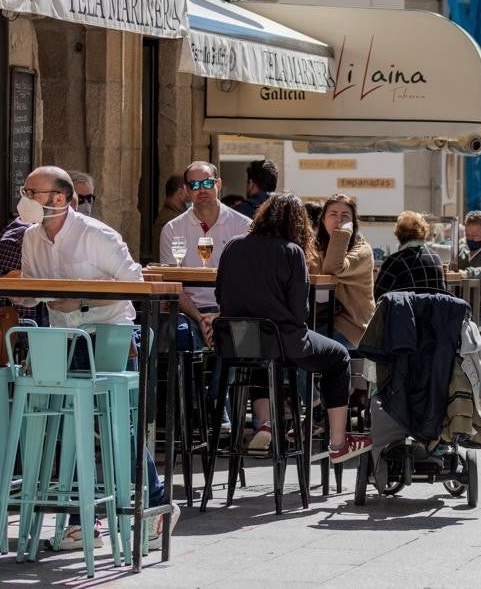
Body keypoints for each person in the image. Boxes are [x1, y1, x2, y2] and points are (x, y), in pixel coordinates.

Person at [17, 166, 176, 549]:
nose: (24, 198)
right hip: (64, 338)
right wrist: (20, 293)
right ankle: (79, 521)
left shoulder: (97, 235)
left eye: (30, 191)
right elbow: (33, 290)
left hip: (110, 335)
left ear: (57, 199)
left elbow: (134, 287)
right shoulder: (32, 238)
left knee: (121, 429)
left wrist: (83, 300)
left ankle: (154, 507)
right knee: (73, 426)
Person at [215, 192, 371, 462]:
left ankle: (265, 424)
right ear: (299, 223)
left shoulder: (232, 245)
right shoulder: (291, 252)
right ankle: (337, 443)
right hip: (283, 342)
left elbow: (220, 295)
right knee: (338, 357)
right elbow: (300, 313)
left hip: (237, 343)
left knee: (260, 362)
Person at [159, 162, 252, 350]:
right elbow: (171, 284)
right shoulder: (172, 229)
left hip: (231, 311)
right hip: (188, 311)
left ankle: (224, 381)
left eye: (207, 183)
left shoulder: (243, 226)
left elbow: (250, 280)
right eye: (194, 185)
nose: (201, 189)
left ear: (218, 184)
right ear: (186, 190)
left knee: (241, 340)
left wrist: (220, 315)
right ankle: (187, 381)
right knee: (178, 335)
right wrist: (200, 318)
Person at [313, 194, 375, 350]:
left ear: (353, 223)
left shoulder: (362, 250)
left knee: (308, 350)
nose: (339, 220)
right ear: (323, 220)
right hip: (320, 322)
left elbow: (333, 268)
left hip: (351, 328)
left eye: (345, 216)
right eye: (333, 214)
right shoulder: (315, 248)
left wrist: (343, 232)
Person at [374, 211, 446, 295]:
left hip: (406, 308)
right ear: (424, 231)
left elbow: (378, 296)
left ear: (399, 234)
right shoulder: (435, 258)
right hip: (433, 308)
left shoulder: (395, 261)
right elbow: (442, 294)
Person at [151, 175, 188, 249]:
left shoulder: (174, 215)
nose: (190, 195)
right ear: (180, 193)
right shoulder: (170, 221)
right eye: (188, 192)